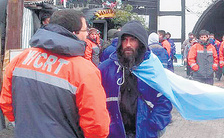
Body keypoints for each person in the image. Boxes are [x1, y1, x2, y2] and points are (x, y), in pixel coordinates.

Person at [0, 9, 110, 138]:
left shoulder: (22, 58)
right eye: (85, 30)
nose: (86, 35)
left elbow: (7, 102)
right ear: (74, 33)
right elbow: (96, 125)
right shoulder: (84, 70)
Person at [99, 20, 172, 138]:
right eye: (124, 40)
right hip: (114, 133)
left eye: (132, 40)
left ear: (141, 43)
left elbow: (165, 100)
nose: (128, 44)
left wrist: (154, 125)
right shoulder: (105, 69)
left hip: (144, 132)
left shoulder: (152, 69)